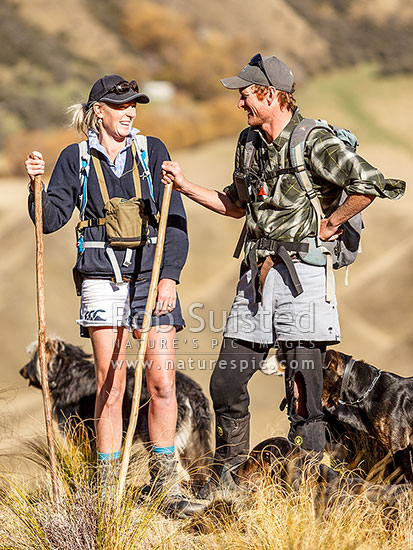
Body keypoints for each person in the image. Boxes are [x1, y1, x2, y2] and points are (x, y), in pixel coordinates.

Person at [161, 54, 406, 496]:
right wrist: (184, 186)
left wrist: (331, 225)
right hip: (255, 279)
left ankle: (309, 495)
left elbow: (371, 183)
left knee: (304, 400)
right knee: (226, 382)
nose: (240, 105)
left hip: (304, 281)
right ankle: (229, 483)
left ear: (271, 94)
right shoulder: (248, 143)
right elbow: (235, 205)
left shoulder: (315, 141)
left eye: (246, 96)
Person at [25, 74, 204, 515]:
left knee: (162, 381)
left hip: (152, 276)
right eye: (120, 105)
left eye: (134, 105)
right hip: (100, 278)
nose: (130, 112)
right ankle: (109, 492)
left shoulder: (152, 151)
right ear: (97, 111)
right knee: (111, 384)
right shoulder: (76, 158)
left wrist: (170, 278)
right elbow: (50, 220)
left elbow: (173, 220)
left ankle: (166, 486)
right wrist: (37, 185)